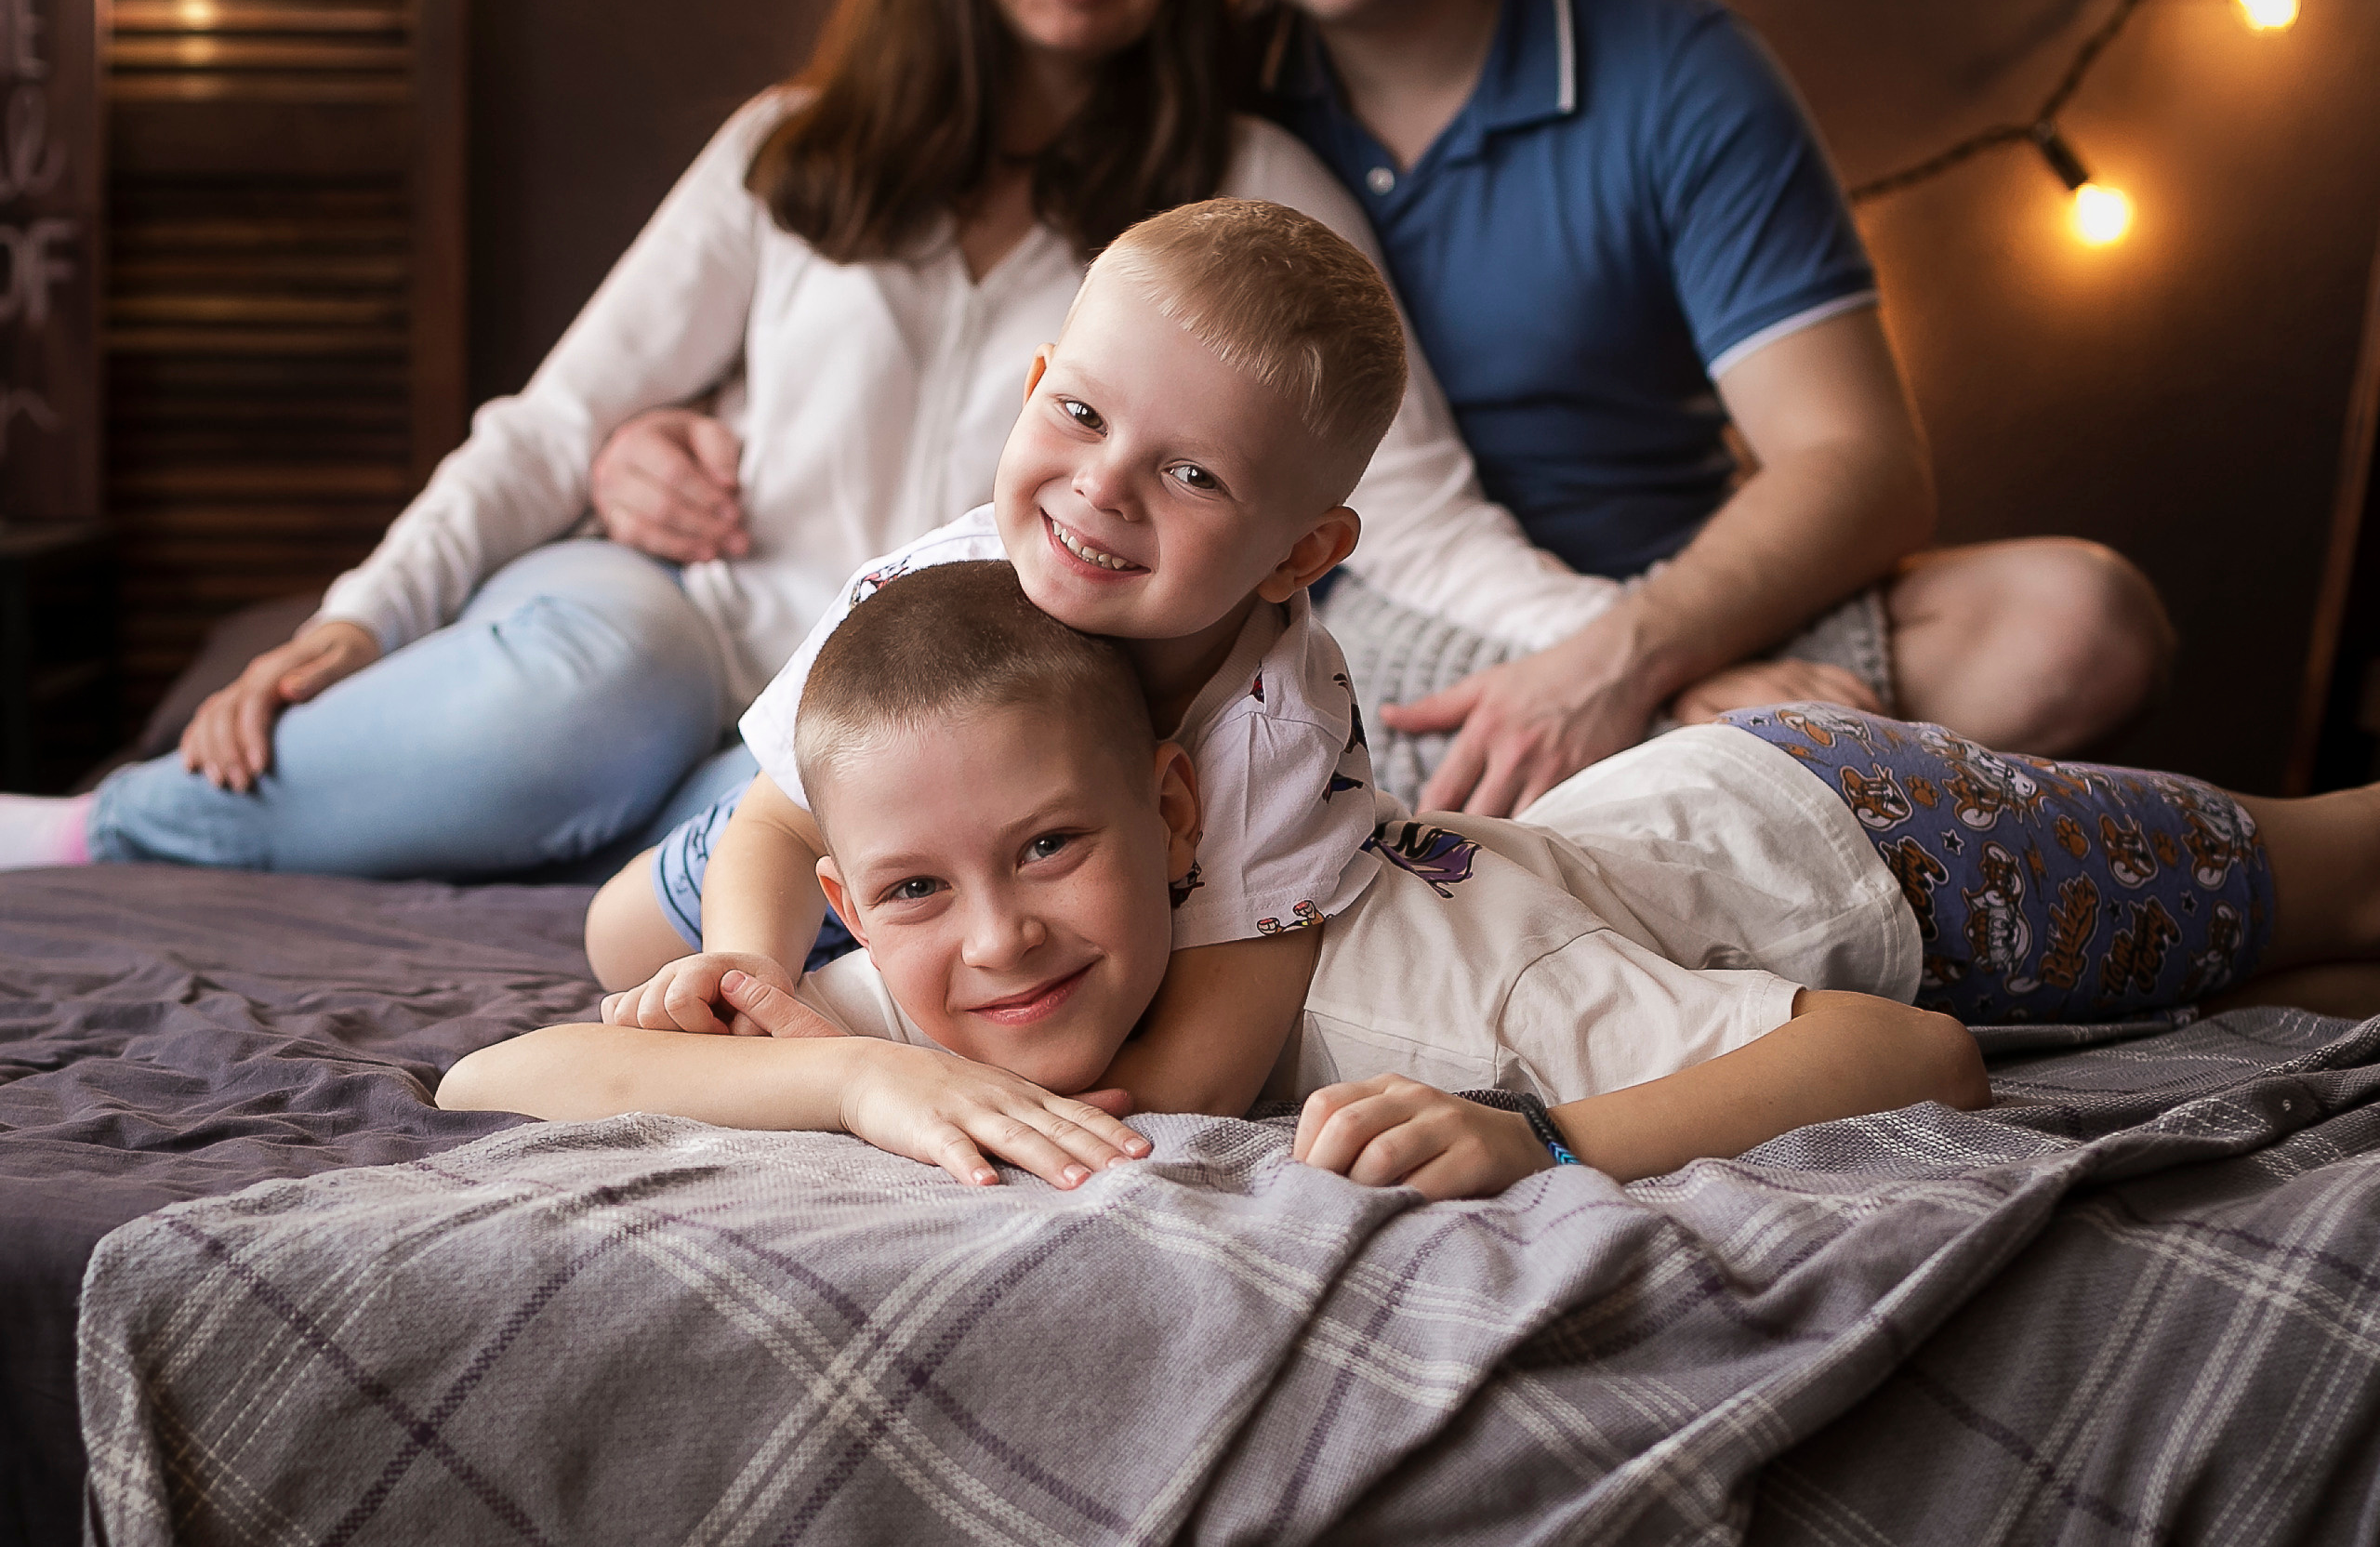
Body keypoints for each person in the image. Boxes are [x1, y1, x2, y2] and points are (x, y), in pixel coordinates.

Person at [0, 0, 1609, 877]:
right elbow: (562, 424)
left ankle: (584, 834)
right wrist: (362, 622)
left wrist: (1640, 639)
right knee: (599, 692)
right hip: (672, 613)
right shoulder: (793, 149)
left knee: (890, 839)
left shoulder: (1248, 192)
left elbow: (1412, 511)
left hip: (907, 694)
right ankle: (89, 834)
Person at [435, 560, 1998, 1197]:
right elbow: (493, 1077)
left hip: (1863, 826)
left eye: (1053, 844)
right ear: (851, 901)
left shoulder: (1439, 996)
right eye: (909, 893)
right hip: (1659, 821)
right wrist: (854, 1082)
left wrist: (1542, 1140)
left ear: (1180, 816)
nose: (999, 939)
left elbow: (1916, 1053)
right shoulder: (957, 991)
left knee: (2250, 877)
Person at [1233, 0, 2179, 818]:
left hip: (1696, 610)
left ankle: (1687, 806)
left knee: (2079, 623)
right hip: (1397, 639)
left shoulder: (1671, 65)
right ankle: (1754, 798)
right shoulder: (1207, 95)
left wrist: (1631, 662)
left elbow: (1858, 458)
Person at [584, 199, 1413, 1116]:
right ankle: (693, 808)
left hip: (1032, 930)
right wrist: (746, 968)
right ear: (1034, 389)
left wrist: (1044, 1124)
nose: (1100, 487)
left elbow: (1209, 1056)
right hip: (831, 838)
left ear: (1299, 555)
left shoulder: (1282, 729)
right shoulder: (925, 584)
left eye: (1192, 476)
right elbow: (783, 827)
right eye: (1082, 414)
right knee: (624, 946)